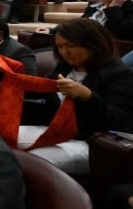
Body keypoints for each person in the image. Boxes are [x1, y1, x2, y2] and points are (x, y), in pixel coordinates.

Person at [20, 18, 133, 174]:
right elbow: (47, 104)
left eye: (71, 46)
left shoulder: (121, 74)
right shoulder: (65, 67)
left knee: (34, 160)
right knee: (0, 139)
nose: (64, 52)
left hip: (90, 142)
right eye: (60, 46)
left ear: (94, 44)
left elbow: (116, 120)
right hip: (56, 130)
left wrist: (88, 97)